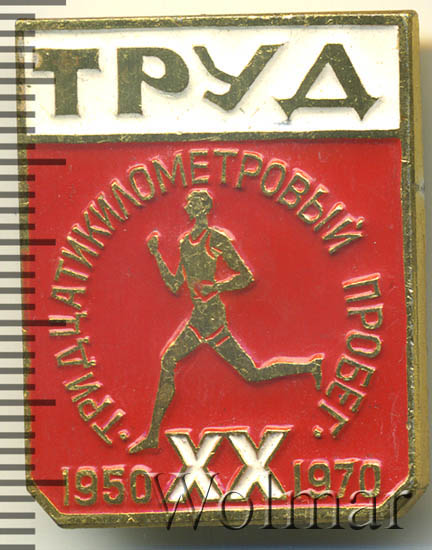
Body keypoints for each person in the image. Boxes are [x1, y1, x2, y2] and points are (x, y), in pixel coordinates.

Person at [129, 189, 323, 453]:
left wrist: (217, 286)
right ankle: (153, 436)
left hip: (212, 317)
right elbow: (175, 284)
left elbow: (246, 276)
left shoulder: (216, 240)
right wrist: (156, 255)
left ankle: (311, 366)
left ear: (202, 208)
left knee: (252, 373)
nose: (186, 207)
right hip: (198, 317)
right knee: (170, 360)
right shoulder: (185, 243)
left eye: (191, 204)